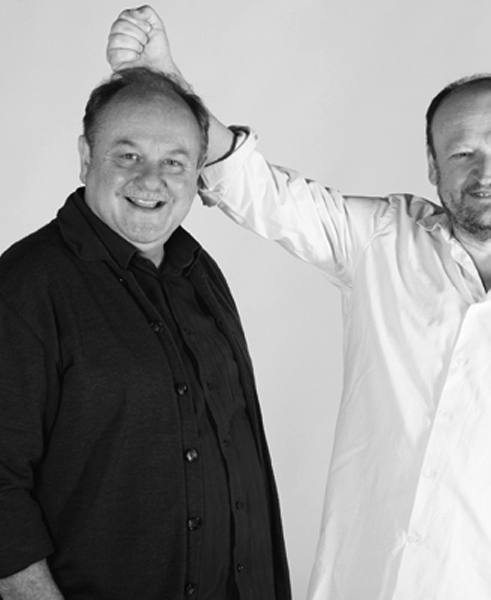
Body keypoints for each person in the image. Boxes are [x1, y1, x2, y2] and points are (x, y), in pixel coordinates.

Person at [107, 6, 491, 600]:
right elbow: (260, 190)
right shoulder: (381, 240)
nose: (485, 171)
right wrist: (164, 78)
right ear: (433, 165)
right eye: (462, 153)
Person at [0, 67, 291, 600]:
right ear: (87, 157)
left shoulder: (198, 271)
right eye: (128, 155)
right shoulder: (25, 286)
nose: (152, 180)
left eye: (174, 162)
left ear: (197, 173)